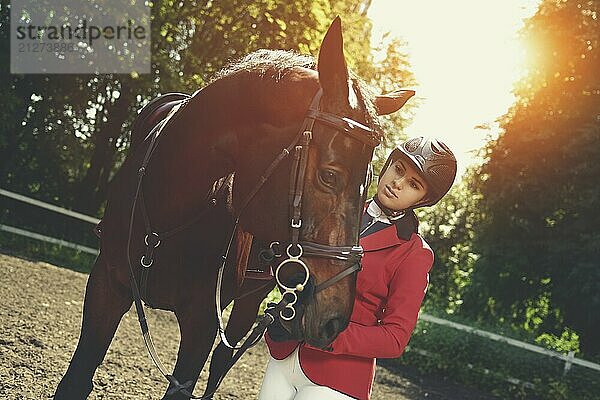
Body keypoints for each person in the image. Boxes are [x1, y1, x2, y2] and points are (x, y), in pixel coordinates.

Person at [258, 136, 458, 400]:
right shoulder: (334, 210)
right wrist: (284, 311)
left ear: (423, 199)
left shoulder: (414, 253)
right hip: (285, 355)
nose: (398, 183)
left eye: (413, 184)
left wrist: (326, 335)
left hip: (336, 379)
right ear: (387, 165)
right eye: (399, 169)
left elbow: (395, 338)